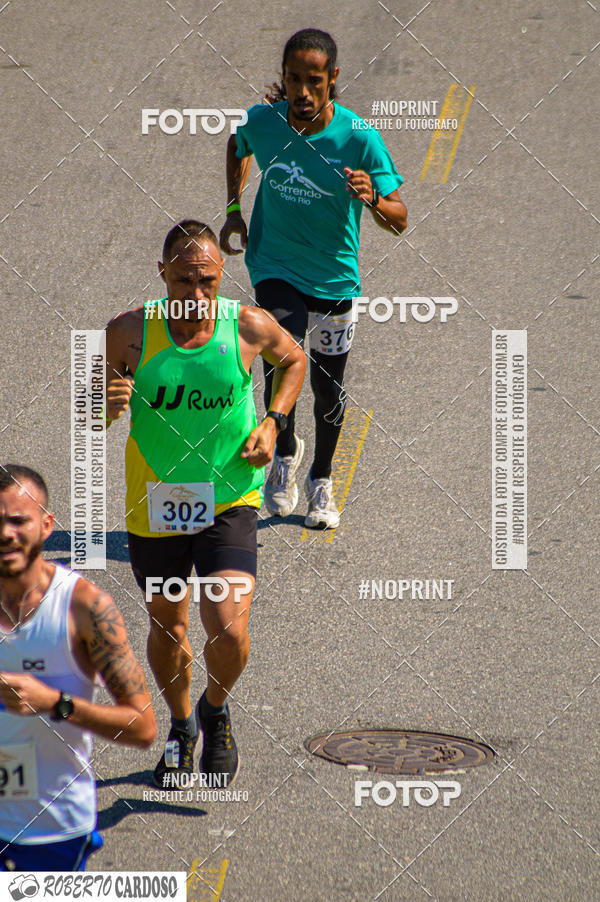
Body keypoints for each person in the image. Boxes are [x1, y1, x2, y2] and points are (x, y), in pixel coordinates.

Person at [105, 220, 305, 788]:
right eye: (185, 280)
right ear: (162, 272)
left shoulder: (245, 325)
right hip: (159, 502)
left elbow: (293, 361)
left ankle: (215, 711)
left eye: (208, 282)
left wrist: (274, 421)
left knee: (228, 627)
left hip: (228, 498)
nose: (196, 295)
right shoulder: (129, 332)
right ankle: (180, 724)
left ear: (221, 278)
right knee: (168, 628)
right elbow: (90, 409)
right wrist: (106, 401)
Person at [220, 27, 408, 529]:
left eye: (314, 81)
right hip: (274, 266)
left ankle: (320, 478)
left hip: (334, 278)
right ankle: (283, 454)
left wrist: (372, 199)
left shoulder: (359, 138)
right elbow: (237, 145)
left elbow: (399, 220)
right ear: (284, 79)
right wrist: (234, 208)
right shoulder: (264, 122)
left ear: (333, 80)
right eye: (294, 80)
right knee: (277, 361)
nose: (303, 92)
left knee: (328, 388)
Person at [0, 464, 156, 872]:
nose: (5, 534)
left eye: (19, 521)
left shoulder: (84, 608)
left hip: (51, 831)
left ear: (47, 525)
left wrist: (55, 703)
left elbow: (142, 727)